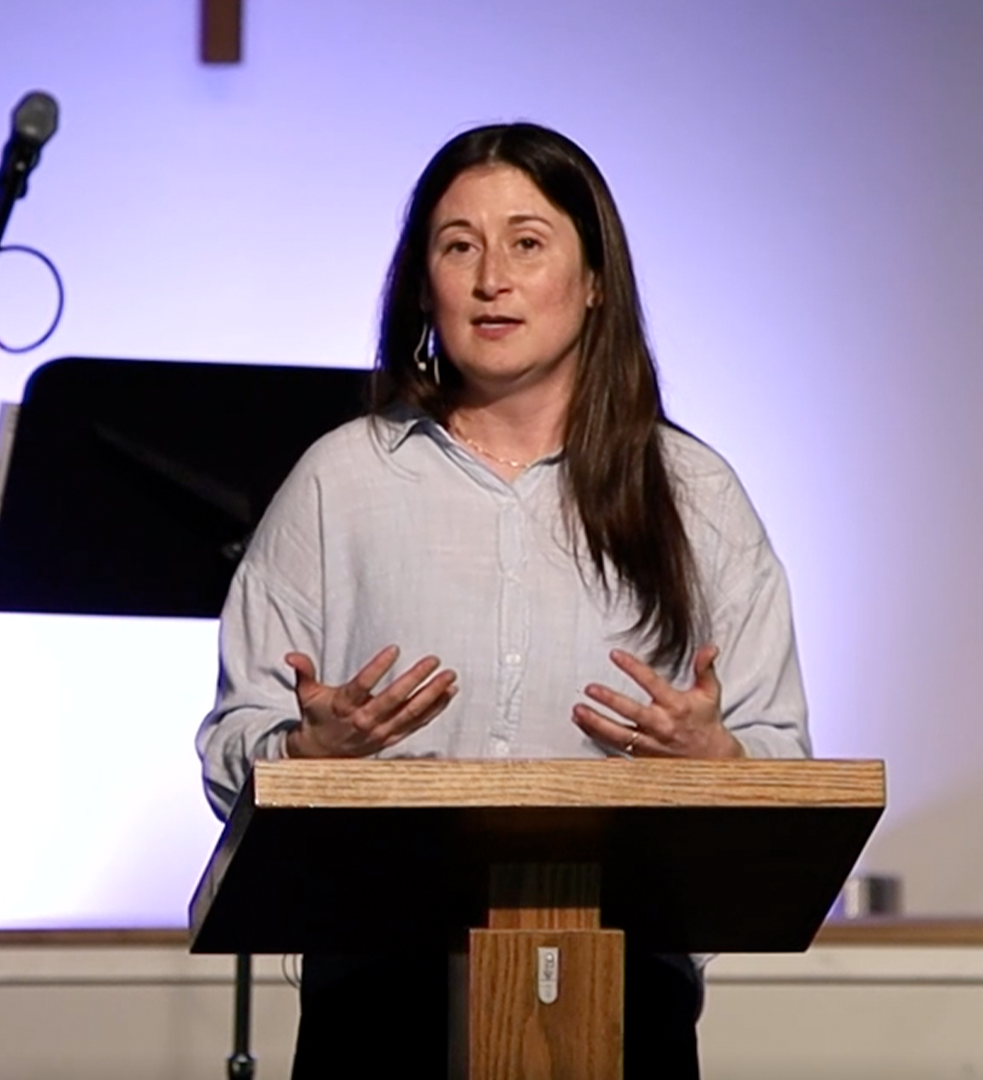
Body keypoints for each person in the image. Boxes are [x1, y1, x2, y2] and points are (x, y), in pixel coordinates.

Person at [197, 121, 810, 1079]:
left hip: (624, 996)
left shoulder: (696, 494)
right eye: (459, 246)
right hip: (380, 998)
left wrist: (718, 762)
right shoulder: (338, 481)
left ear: (595, 278)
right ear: (423, 283)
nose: (492, 279)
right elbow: (233, 742)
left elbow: (784, 760)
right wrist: (306, 755)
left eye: (527, 243)